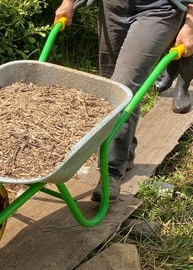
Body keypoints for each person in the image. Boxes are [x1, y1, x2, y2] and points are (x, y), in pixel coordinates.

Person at [54, 0, 193, 202]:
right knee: (110, 87)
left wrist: (190, 24)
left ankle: (111, 170)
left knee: (123, 88)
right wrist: (67, 2)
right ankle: (125, 152)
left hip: (158, 9)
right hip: (112, 7)